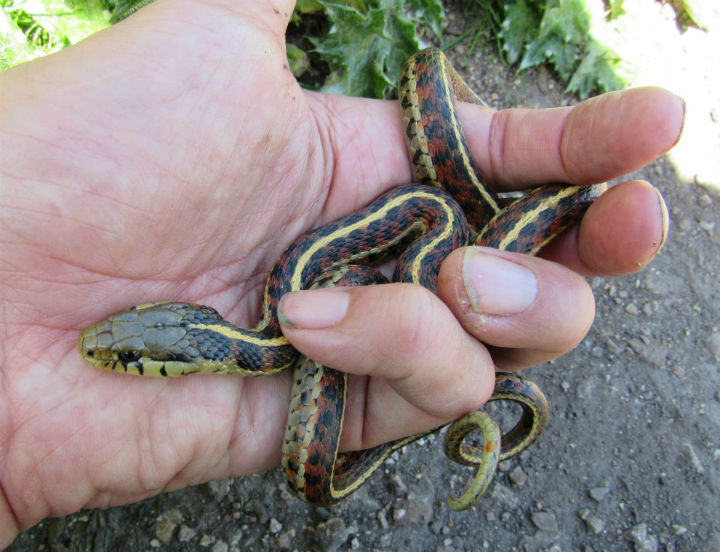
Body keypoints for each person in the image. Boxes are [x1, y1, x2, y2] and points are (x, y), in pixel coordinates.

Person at [0, 0, 682, 546]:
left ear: (178, 359)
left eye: (127, 354)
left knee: (439, 255)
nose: (111, 350)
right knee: (437, 271)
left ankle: (538, 212)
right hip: (417, 228)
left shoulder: (291, 291)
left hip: (428, 218)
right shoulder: (282, 304)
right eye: (129, 352)